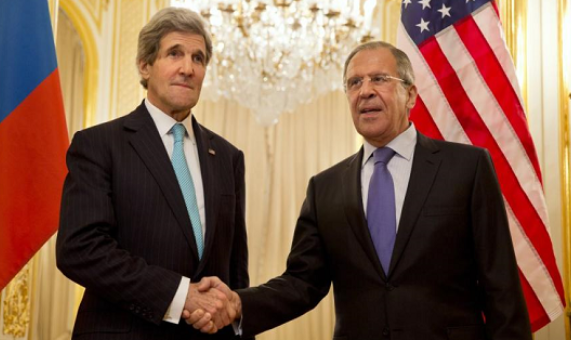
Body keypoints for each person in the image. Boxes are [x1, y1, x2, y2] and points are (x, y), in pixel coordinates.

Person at [185, 41, 531, 339]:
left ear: (410, 94)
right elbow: (301, 283)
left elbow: (501, 287)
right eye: (354, 82)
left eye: (379, 79)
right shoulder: (325, 188)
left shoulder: (466, 168)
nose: (365, 90)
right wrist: (238, 303)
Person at [56, 7, 249, 339]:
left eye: (198, 58)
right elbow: (80, 249)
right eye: (174, 54)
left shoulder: (228, 157)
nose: (187, 68)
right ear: (145, 66)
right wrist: (178, 295)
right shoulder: (99, 144)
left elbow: (235, 271)